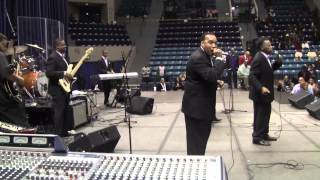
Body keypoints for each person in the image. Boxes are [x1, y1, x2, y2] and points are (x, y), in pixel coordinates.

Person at [182, 32, 225, 155]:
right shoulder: (198, 57)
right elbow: (211, 75)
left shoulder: (205, 55)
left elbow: (203, 78)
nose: (214, 45)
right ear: (202, 43)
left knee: (200, 143)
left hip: (201, 108)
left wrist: (215, 82)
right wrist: (220, 59)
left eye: (215, 42)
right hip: (197, 110)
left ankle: (197, 165)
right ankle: (194, 169)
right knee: (196, 145)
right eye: (210, 42)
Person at [249, 37, 282, 146]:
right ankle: (257, 137)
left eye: (270, 45)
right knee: (260, 115)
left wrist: (277, 64)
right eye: (268, 45)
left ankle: (264, 134)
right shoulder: (258, 58)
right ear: (262, 47)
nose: (271, 47)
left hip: (266, 94)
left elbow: (267, 71)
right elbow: (252, 76)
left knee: (266, 114)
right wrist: (261, 87)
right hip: (260, 94)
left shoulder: (265, 57)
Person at [0, 33, 29, 127]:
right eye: (5, 44)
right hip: (3, 99)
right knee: (19, 120)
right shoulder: (0, 55)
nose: (7, 47)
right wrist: (20, 79)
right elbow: (7, 74)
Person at [46, 39, 73, 137]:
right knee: (59, 112)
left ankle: (64, 132)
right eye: (63, 45)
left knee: (65, 111)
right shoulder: (53, 57)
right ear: (57, 46)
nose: (65, 46)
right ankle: (57, 135)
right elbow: (49, 73)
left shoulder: (63, 58)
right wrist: (64, 73)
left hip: (64, 88)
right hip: (56, 90)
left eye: (65, 45)